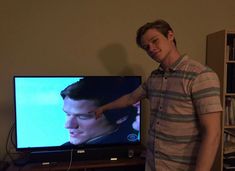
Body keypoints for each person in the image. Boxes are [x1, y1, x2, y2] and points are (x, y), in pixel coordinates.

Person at [94, 19, 222, 171]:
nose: (151, 49)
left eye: (155, 41)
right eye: (146, 47)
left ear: (170, 35)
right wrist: (103, 108)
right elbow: (130, 98)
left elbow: (212, 133)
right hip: (153, 165)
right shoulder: (154, 77)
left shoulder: (201, 75)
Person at [60, 76, 140, 146]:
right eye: (67, 114)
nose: (68, 125)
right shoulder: (63, 150)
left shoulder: (125, 147)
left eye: (83, 116)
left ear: (121, 116)